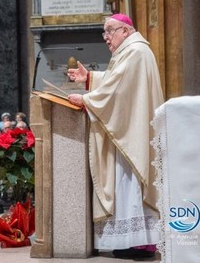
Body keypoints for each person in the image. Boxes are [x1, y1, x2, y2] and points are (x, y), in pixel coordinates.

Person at [67, 13, 163, 259]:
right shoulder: (130, 52)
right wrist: (89, 78)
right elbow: (114, 83)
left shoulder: (136, 52)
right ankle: (131, 241)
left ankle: (140, 244)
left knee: (129, 183)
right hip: (128, 130)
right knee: (125, 186)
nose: (106, 37)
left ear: (126, 31)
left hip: (131, 135)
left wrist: (87, 99)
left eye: (110, 31)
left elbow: (116, 91)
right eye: (104, 32)